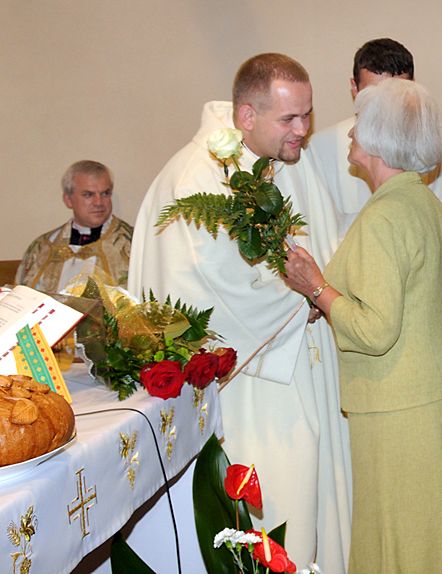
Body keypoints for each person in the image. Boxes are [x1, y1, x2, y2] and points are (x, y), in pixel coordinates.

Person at [128, 53, 351, 572]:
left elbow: (323, 242)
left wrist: (321, 289)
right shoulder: (195, 179)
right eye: (290, 119)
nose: (304, 130)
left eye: (308, 114)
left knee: (312, 503)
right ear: (246, 117)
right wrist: (310, 300)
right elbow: (211, 291)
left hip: (304, 368)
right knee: (277, 508)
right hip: (251, 385)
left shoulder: (288, 160)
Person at [284, 78, 442, 573]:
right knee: (440, 542)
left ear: (378, 137)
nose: (350, 133)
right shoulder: (425, 204)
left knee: (409, 548)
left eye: (359, 122)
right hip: (437, 396)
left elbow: (377, 329)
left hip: (402, 408)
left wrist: (317, 287)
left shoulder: (384, 217)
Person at [307, 38, 442, 268]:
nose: (387, 108)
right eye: (375, 97)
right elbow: (313, 228)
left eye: (397, 94)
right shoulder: (321, 147)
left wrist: (411, 244)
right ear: (355, 89)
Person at [15, 160, 132, 292]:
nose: (99, 202)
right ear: (68, 200)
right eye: (88, 195)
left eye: (105, 193)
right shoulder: (42, 248)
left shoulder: (132, 246)